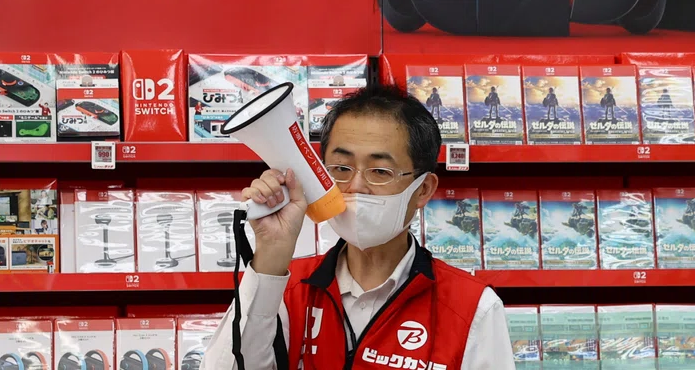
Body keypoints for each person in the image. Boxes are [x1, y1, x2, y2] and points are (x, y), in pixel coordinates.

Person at [204, 83, 515, 369]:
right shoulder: (289, 290)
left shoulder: (473, 307)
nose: (356, 186)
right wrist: (270, 257)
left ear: (423, 190)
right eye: (341, 168)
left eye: (380, 171)